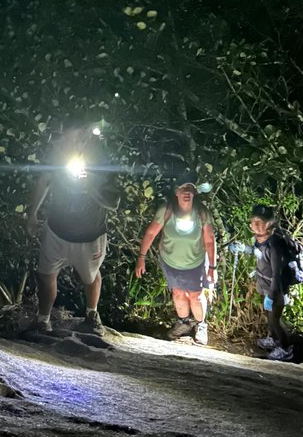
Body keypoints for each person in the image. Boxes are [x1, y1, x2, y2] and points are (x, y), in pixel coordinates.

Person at [26, 123, 120, 333]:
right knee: (46, 274)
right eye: (65, 138)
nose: (67, 143)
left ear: (84, 137)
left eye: (73, 139)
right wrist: (32, 214)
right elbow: (44, 181)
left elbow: (113, 202)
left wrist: (91, 188)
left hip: (90, 234)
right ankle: (43, 320)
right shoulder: (57, 155)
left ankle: (91, 315)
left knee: (90, 277)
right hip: (57, 229)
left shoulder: (101, 160)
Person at [135, 173, 216, 345]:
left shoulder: (201, 213)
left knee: (196, 294)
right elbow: (151, 233)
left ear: (194, 193)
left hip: (195, 261)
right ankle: (183, 322)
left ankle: (201, 325)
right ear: (176, 192)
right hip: (170, 260)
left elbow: (209, 239)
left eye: (190, 189)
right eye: (183, 188)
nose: (187, 192)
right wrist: (141, 257)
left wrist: (212, 267)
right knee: (178, 292)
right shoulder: (167, 210)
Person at [248, 204, 295, 362]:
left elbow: (277, 272)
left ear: (269, 223)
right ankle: (274, 340)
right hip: (266, 284)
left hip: (277, 287)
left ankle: (286, 348)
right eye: (253, 221)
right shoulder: (261, 239)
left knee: (275, 318)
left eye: (259, 222)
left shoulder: (275, 243)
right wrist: (246, 249)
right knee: (270, 316)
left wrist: (272, 294)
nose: (255, 225)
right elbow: (260, 254)